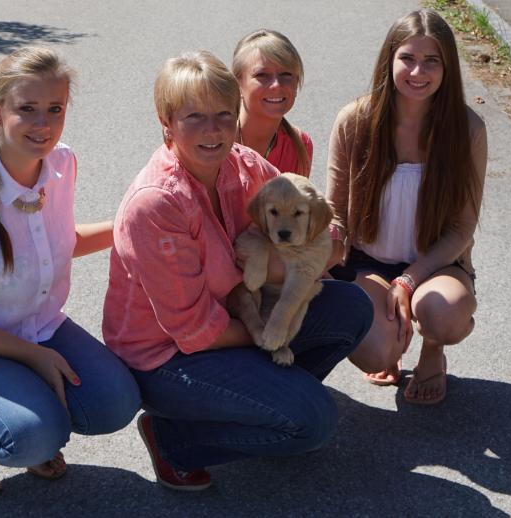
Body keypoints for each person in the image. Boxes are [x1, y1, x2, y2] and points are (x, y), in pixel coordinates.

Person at [103, 51, 373, 491]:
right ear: (166, 122)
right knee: (313, 422)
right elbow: (194, 332)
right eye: (194, 116)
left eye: (224, 115)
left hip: (236, 318)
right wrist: (274, 330)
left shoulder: (244, 164)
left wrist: (323, 244)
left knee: (351, 307)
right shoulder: (156, 203)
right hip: (167, 357)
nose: (213, 130)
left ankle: (265, 408)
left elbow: (321, 228)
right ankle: (174, 439)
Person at [0, 47, 141, 498]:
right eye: (27, 109)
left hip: (36, 327)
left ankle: (25, 414)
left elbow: (58, 244)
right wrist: (33, 356)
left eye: (55, 109)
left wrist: (131, 226)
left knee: (116, 403)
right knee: (34, 436)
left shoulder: (62, 163)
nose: (43, 123)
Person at [326, 9, 487, 404]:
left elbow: (462, 227)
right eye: (408, 58)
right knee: (375, 352)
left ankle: (433, 347)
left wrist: (409, 280)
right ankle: (392, 342)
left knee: (443, 315)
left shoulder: (468, 129)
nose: (418, 71)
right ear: (389, 60)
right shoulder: (354, 120)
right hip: (367, 263)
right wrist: (323, 260)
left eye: (432, 60)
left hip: (438, 266)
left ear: (447, 67)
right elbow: (335, 212)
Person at [232, 29, 313, 176]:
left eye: (286, 74)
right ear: (238, 84)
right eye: (262, 75)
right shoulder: (215, 142)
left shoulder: (300, 146)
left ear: (296, 82)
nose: (276, 85)